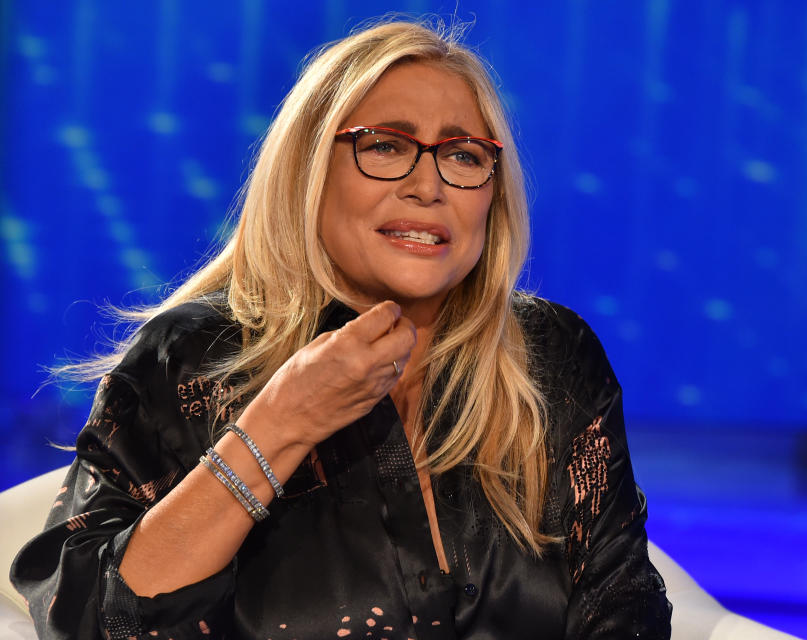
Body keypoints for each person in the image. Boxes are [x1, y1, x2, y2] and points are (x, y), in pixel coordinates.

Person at [11, 19, 672, 640]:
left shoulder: (552, 359)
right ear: (309, 170)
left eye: (464, 156)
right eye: (386, 145)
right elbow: (94, 620)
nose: (427, 186)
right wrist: (278, 428)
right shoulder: (189, 362)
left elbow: (621, 602)